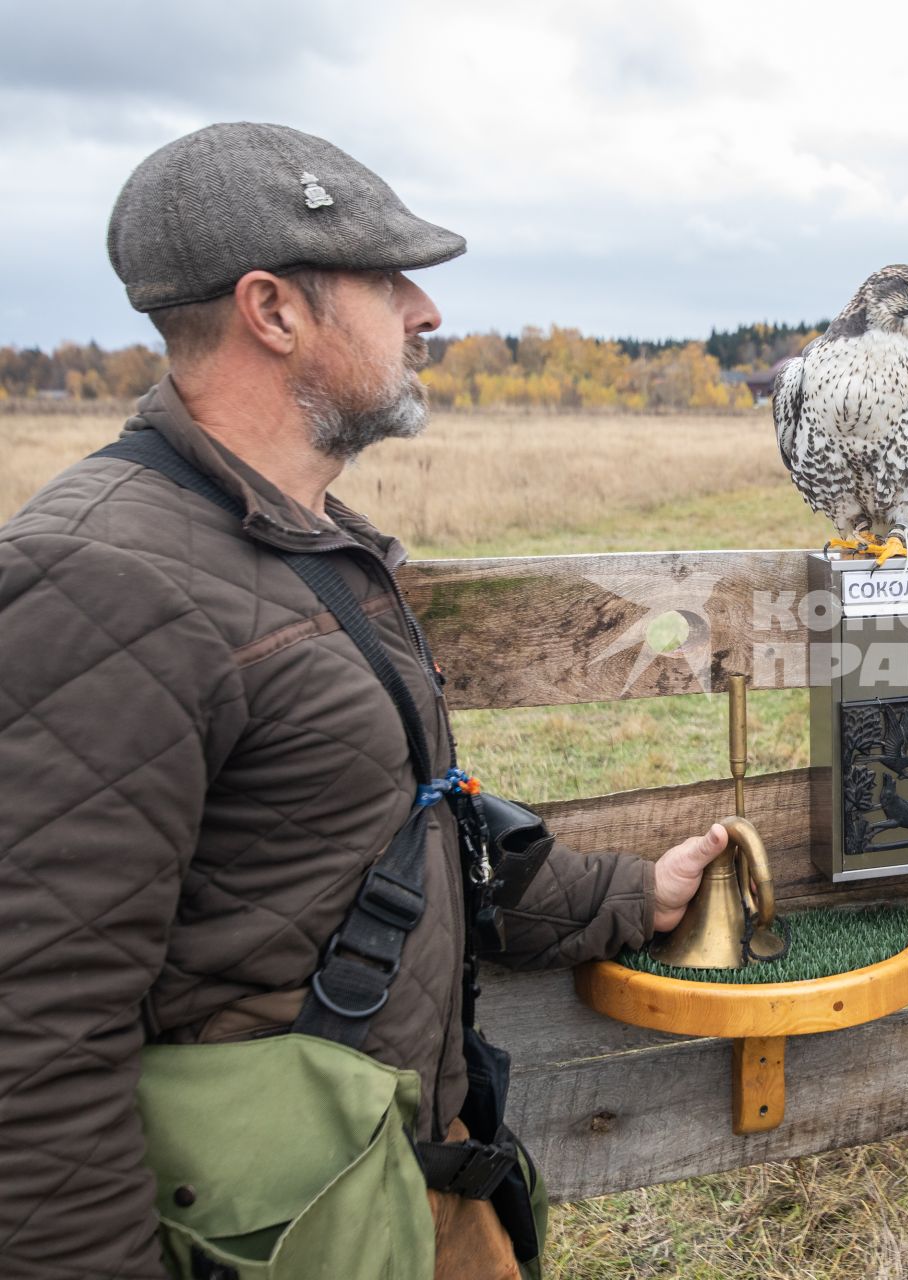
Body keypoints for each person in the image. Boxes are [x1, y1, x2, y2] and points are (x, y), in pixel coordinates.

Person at [0, 122, 732, 1280]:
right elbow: (33, 1033)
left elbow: (391, 834)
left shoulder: (311, 541)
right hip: (272, 1228)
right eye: (388, 282)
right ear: (273, 311)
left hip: (398, 1185)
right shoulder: (101, 580)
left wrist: (635, 895)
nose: (424, 313)